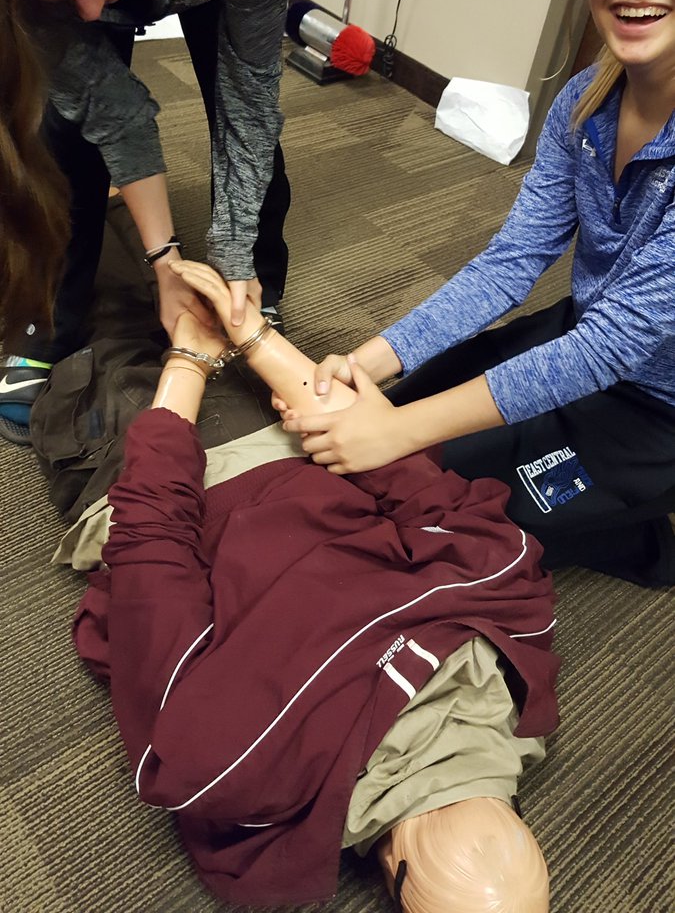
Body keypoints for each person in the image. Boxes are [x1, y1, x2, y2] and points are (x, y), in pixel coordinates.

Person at [71, 258, 558, 911]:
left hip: (179, 471)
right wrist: (242, 342)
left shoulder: (510, 635)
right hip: (272, 448)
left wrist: (214, 356)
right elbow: (151, 578)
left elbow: (150, 566)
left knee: (79, 291)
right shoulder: (235, 772)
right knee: (156, 269)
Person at [280, 0, 675, 588]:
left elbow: (615, 348)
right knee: (401, 417)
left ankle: (643, 530)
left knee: (451, 518)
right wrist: (369, 360)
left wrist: (394, 432)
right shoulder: (585, 99)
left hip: (658, 404)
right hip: (588, 334)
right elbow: (510, 262)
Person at [0, 0, 298, 444]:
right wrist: (164, 260)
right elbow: (113, 108)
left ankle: (251, 291)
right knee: (60, 128)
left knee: (241, 109)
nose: (95, 12)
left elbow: (247, 92)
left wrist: (223, 263)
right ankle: (48, 319)